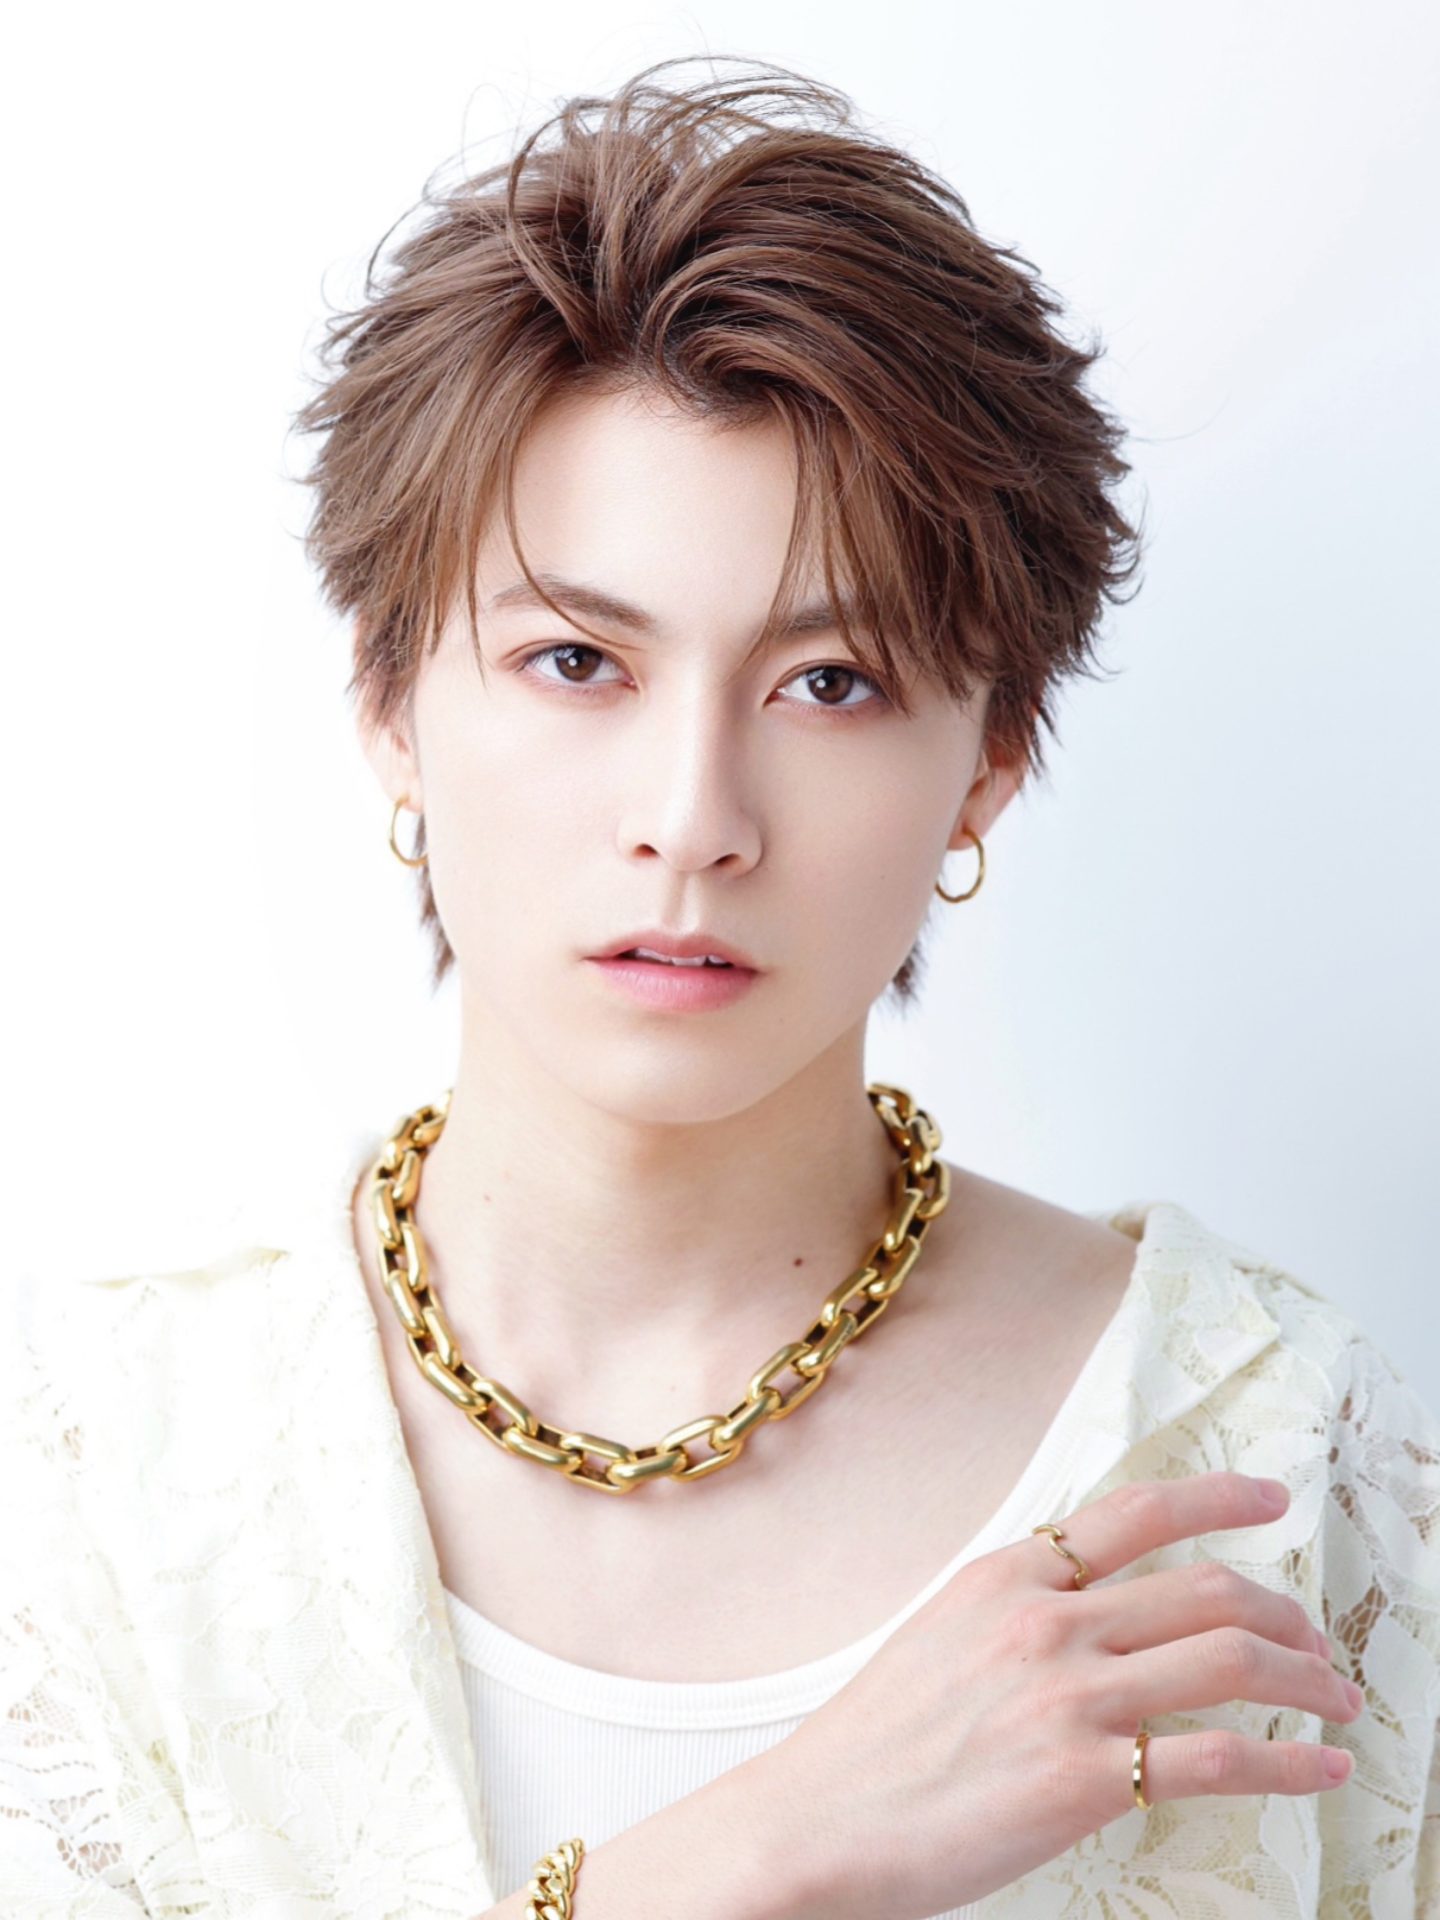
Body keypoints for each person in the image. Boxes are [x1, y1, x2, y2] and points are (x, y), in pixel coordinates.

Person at [3, 52, 1436, 1920]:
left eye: (830, 683)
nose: (690, 819)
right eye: (577, 662)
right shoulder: (100, 1479)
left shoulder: (1260, 1447)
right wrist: (757, 1855)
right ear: (389, 704)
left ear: (991, 761)